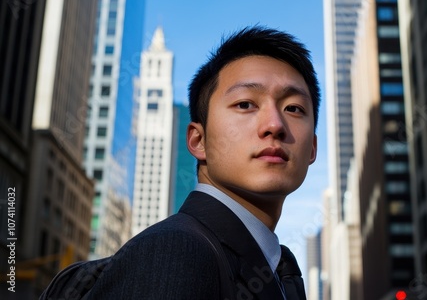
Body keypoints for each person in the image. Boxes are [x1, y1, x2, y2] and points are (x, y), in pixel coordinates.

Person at [41, 26, 320, 299]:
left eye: (293, 108)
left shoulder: (274, 268)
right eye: (245, 104)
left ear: (312, 149)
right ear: (198, 141)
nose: (274, 125)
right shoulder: (177, 251)